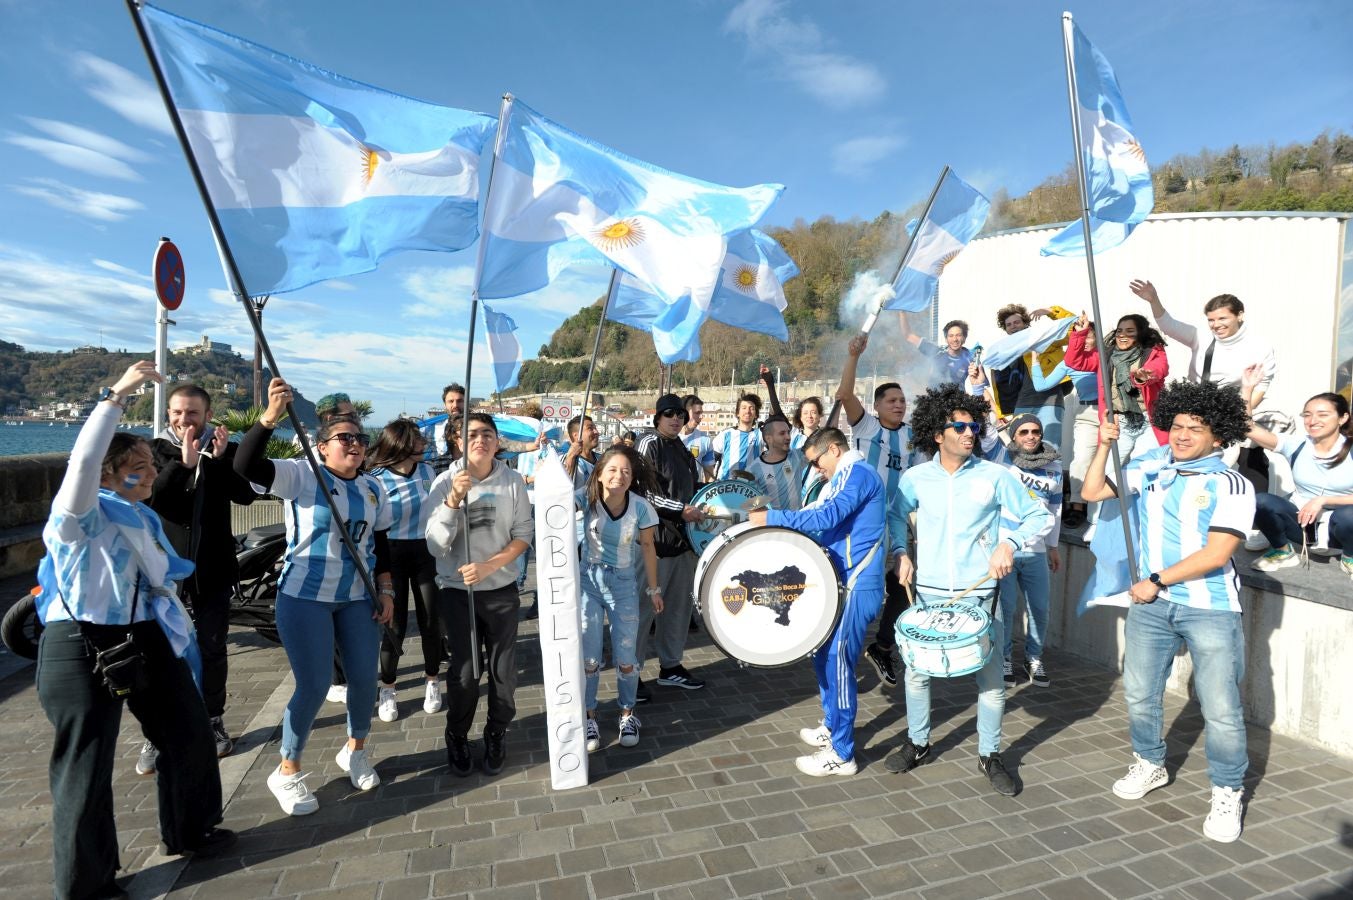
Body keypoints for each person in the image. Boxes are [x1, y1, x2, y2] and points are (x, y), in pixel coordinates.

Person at [36, 361, 233, 898]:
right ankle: (87, 883)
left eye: (150, 465)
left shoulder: (141, 518)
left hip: (144, 636)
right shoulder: (80, 515)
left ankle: (193, 830)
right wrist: (117, 395)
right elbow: (81, 461)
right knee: (87, 764)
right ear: (106, 472)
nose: (149, 474)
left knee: (189, 732)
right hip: (81, 642)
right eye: (137, 467)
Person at [1081, 379, 1255, 843]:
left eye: (1194, 429)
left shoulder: (1232, 483)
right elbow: (1093, 491)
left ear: (1218, 437)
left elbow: (1218, 554)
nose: (1181, 435)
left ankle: (1227, 790)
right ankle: (1149, 763)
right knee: (1140, 693)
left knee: (1220, 709)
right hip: (1153, 606)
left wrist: (1155, 581)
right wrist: (1104, 446)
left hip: (1209, 609)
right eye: (1177, 425)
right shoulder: (1155, 470)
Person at [883, 383, 1053, 797]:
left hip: (981, 596)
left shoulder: (996, 475)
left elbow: (1038, 516)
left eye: (973, 425)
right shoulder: (915, 477)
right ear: (936, 433)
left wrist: (1008, 544)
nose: (968, 432)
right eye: (958, 425)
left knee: (991, 680)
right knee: (918, 674)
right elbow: (894, 516)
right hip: (927, 594)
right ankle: (919, 743)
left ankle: (990, 754)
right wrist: (901, 551)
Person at [236, 378, 395, 815]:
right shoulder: (302, 474)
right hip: (304, 596)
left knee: (364, 679)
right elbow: (246, 465)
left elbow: (382, 546)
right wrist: (269, 417)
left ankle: (355, 750)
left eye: (361, 439)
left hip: (357, 598)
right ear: (321, 446)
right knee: (314, 684)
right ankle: (286, 769)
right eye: (345, 438)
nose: (356, 445)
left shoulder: (372, 488)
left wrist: (386, 591)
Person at [749, 427, 885, 776]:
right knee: (822, 653)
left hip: (857, 582)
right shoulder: (843, 475)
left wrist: (774, 518)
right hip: (839, 580)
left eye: (817, 461)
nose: (816, 469)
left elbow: (826, 517)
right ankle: (831, 725)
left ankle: (842, 754)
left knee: (839, 661)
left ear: (835, 450)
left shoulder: (856, 474)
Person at [141, 383, 258, 771]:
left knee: (211, 647)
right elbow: (155, 499)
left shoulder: (225, 449)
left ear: (208, 415)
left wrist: (221, 460)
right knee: (160, 652)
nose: (183, 420)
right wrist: (184, 464)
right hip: (164, 571)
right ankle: (158, 732)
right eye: (176, 413)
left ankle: (212, 719)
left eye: (192, 413)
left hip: (212, 568)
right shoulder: (156, 452)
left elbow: (246, 497)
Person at [425, 413, 533, 777]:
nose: (480, 440)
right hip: (458, 593)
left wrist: (490, 566)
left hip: (501, 591)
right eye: (472, 434)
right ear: (458, 441)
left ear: (497, 441)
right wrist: (453, 500)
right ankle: (456, 734)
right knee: (466, 674)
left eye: (488, 433)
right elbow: (435, 545)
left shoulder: (513, 481)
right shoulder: (443, 482)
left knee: (504, 673)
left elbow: (522, 535)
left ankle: (496, 731)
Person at [836, 332, 913, 687]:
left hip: (898, 524)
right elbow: (846, 395)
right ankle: (841, 646)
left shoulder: (914, 436)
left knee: (902, 583)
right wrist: (853, 356)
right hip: (864, 525)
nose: (899, 405)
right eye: (893, 400)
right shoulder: (865, 426)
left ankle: (882, 646)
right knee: (859, 593)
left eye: (903, 401)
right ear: (879, 405)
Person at [577, 445, 662, 751]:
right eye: (612, 469)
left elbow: (649, 547)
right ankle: (588, 717)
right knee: (589, 659)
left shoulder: (641, 507)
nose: (620, 476)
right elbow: (553, 500)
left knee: (627, 659)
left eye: (626, 470)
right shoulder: (584, 500)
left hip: (624, 585)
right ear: (598, 474)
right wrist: (571, 456)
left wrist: (654, 589)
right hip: (588, 582)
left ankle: (627, 714)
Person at [1240, 368, 1353, 577]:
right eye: (1307, 415)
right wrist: (1247, 389)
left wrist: (1324, 499)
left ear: (1342, 418)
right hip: (1301, 524)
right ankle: (1283, 551)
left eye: (1323, 414)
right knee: (1260, 500)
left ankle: (1350, 557)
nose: (1313, 420)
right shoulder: (1297, 444)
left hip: (1343, 529)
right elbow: (1248, 428)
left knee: (1350, 515)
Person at [367, 420, 444, 722]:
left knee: (430, 620)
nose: (423, 444)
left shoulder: (428, 472)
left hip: (426, 552)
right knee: (394, 625)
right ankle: (388, 687)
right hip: (391, 555)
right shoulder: (376, 478)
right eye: (417, 440)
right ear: (401, 445)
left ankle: (433, 680)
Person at [635, 393, 707, 697]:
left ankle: (670, 667)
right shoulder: (648, 443)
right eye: (669, 414)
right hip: (654, 543)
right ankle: (631, 673)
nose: (676, 419)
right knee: (642, 612)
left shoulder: (683, 448)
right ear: (657, 418)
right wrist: (681, 509)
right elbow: (643, 491)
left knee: (678, 609)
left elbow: (693, 491)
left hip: (684, 541)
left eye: (680, 414)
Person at [1129, 279, 1276, 410]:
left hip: (1234, 408)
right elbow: (1169, 326)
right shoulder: (1200, 335)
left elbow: (1261, 388)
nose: (1216, 325)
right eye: (1211, 320)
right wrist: (1154, 300)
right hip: (1195, 405)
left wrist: (1237, 416)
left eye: (1222, 318)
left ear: (1240, 315)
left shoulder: (1260, 347)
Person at [995, 414, 1063, 689]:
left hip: (1036, 550)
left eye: (1035, 431)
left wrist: (1053, 547)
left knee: (1040, 609)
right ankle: (1004, 659)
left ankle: (1033, 658)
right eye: (1023, 432)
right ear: (1014, 436)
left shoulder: (1055, 467)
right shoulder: (1001, 460)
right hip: (1006, 548)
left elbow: (1055, 510)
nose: (1031, 436)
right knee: (1007, 608)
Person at [1065, 311, 1170, 454]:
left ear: (1140, 333)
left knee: (1142, 466)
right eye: (1119, 331)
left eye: (1129, 331)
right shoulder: (1106, 355)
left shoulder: (1154, 352)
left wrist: (1144, 376)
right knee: (1109, 469)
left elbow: (1159, 369)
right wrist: (1080, 333)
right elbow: (1074, 361)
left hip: (1149, 421)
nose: (1122, 335)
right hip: (1118, 422)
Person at [991, 303, 1066, 446]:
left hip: (1050, 402)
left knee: (1050, 447)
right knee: (1021, 448)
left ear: (1025, 323)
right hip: (1022, 404)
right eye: (1009, 324)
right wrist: (1000, 413)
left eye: (1017, 322)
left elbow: (1073, 329)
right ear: (1006, 329)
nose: (1013, 326)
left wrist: (1051, 311)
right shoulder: (1004, 351)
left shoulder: (1044, 338)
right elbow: (998, 386)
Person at [744, 414, 809, 511]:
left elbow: (823, 441)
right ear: (768, 438)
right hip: (773, 525)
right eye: (782, 433)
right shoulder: (753, 470)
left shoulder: (797, 456)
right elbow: (749, 505)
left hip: (796, 523)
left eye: (788, 432)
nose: (788, 437)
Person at [902, 313, 975, 387]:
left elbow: (980, 384)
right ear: (946, 339)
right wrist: (902, 312)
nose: (955, 339)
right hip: (934, 397)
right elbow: (908, 335)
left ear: (964, 338)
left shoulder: (970, 358)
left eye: (958, 335)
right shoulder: (937, 352)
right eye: (951, 336)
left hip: (958, 398)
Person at [713, 392, 763, 480]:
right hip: (726, 487)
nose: (747, 411)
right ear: (737, 413)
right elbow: (710, 462)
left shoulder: (761, 435)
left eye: (752, 408)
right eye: (744, 408)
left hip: (751, 488)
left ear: (756, 415)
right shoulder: (725, 435)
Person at [422, 383, 466, 458]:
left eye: (459, 401)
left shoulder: (479, 427)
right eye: (451, 401)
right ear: (445, 404)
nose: (455, 405)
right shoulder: (430, 429)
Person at [680, 394, 717, 482]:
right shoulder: (668, 438)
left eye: (701, 413)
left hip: (694, 493)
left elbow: (710, 477)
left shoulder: (705, 440)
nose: (701, 417)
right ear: (684, 413)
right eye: (697, 413)